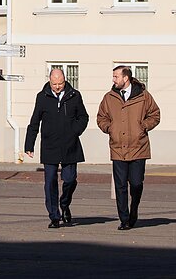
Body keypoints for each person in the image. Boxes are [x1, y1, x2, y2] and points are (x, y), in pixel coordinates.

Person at [97, 65, 161, 230]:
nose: (113, 79)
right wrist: (110, 128)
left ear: (125, 78)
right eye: (113, 76)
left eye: (116, 76)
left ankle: (134, 209)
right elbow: (101, 117)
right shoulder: (109, 97)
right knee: (120, 186)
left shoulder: (143, 96)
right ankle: (124, 219)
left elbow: (155, 114)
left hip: (138, 147)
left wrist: (143, 126)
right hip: (118, 148)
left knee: (136, 183)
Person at [24, 68, 89, 229]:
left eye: (60, 83)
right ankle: (54, 216)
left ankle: (64, 203)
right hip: (50, 146)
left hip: (70, 145)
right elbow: (34, 122)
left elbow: (83, 117)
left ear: (65, 80)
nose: (58, 87)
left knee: (70, 179)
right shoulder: (42, 97)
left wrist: (75, 131)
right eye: (54, 84)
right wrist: (29, 145)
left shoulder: (75, 95)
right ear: (49, 81)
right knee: (50, 182)